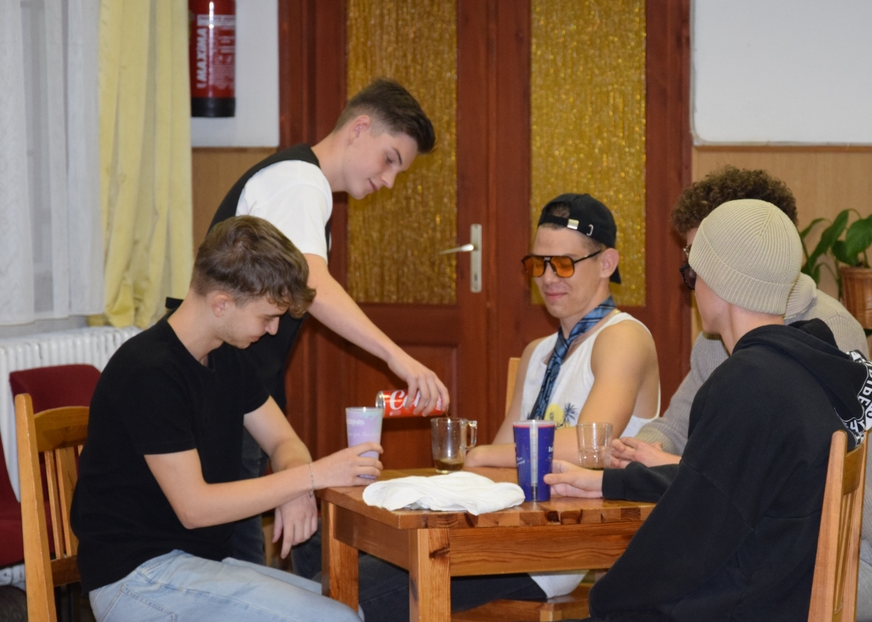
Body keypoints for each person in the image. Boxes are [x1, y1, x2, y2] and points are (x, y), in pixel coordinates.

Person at [547, 198, 872, 621]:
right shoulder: (805, 367)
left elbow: (691, 538)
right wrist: (613, 482)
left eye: (692, 274)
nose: (693, 288)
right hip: (780, 596)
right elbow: (716, 485)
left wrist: (606, 598)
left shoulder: (750, 384)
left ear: (720, 283)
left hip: (745, 607)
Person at [611, 167, 872, 622]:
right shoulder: (718, 339)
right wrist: (635, 452)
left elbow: (785, 480)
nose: (694, 280)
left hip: (858, 554)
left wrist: (675, 468)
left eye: (700, 265)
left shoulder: (826, 333)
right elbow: (677, 424)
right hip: (784, 543)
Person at [358, 193, 661, 621]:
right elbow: (492, 467)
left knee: (363, 595)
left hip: (559, 544)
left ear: (607, 263)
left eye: (564, 264)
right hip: (505, 525)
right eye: (538, 264)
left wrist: (482, 454)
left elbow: (590, 447)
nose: (548, 278)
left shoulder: (623, 337)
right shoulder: (538, 351)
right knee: (349, 564)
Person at [70, 216, 380, 622]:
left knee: (347, 609)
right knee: (336, 620)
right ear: (221, 304)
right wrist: (311, 477)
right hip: (136, 579)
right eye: (266, 317)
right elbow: (195, 508)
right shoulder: (149, 371)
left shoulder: (228, 357)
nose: (273, 330)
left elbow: (283, 442)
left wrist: (297, 486)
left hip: (196, 564)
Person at [208, 78, 450, 572]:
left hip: (244, 391)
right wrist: (397, 357)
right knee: (236, 564)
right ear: (358, 128)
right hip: (221, 390)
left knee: (247, 559)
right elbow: (313, 282)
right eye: (389, 159)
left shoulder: (304, 185)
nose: (390, 181)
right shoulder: (299, 182)